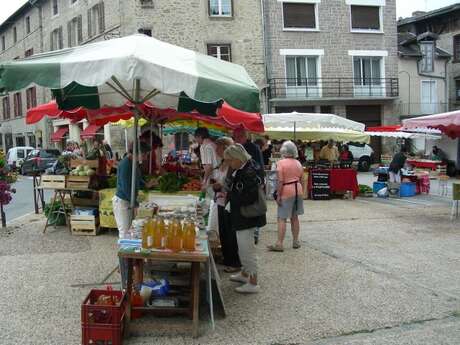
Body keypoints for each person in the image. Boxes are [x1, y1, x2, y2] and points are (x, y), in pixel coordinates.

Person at [224, 144, 266, 293]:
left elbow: (248, 196)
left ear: (237, 158)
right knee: (242, 246)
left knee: (247, 248)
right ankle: (245, 273)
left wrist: (232, 199)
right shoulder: (248, 166)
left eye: (229, 160)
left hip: (246, 215)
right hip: (243, 215)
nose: (228, 163)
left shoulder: (248, 171)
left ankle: (253, 283)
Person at [112, 142, 155, 239]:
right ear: (137, 153)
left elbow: (137, 180)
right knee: (125, 232)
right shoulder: (125, 164)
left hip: (129, 201)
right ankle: (123, 253)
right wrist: (135, 204)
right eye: (144, 155)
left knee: (130, 231)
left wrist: (147, 185)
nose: (145, 158)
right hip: (122, 202)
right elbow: (126, 187)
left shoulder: (134, 163)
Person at [268, 141, 304, 252]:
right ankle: (296, 241)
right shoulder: (298, 163)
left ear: (283, 151)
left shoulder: (281, 163)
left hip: (287, 190)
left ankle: (279, 243)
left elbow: (280, 181)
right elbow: (302, 179)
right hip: (298, 189)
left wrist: (278, 195)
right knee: (295, 217)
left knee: (282, 218)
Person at [213, 137, 241, 272]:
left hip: (229, 202)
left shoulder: (232, 163)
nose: (215, 150)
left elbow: (232, 183)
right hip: (220, 200)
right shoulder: (223, 162)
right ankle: (227, 258)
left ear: (224, 147)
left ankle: (234, 262)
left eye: (217, 148)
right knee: (223, 232)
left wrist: (221, 186)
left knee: (230, 233)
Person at [233, 127, 264, 244]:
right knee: (246, 207)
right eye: (235, 137)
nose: (236, 139)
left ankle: (255, 233)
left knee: (254, 207)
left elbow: (258, 166)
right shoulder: (236, 147)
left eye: (238, 137)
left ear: (245, 136)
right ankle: (249, 230)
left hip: (252, 182)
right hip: (243, 183)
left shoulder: (253, 148)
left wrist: (259, 181)